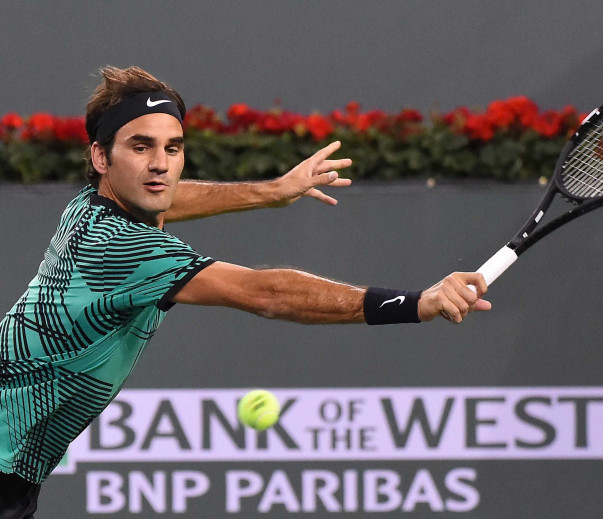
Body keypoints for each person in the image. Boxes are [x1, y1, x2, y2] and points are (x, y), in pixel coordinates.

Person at [0, 66, 491, 518]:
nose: (160, 166)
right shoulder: (126, 249)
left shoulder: (90, 206)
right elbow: (267, 294)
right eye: (140, 146)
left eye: (172, 149)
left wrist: (272, 191)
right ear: (101, 156)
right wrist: (417, 303)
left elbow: (167, 195)